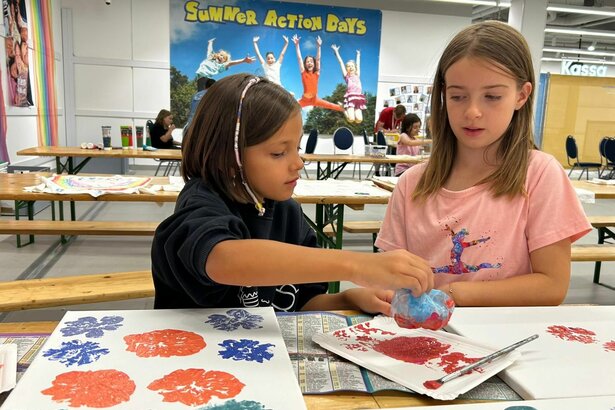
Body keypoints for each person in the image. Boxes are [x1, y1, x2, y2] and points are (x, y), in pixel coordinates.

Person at [151, 73, 433, 313]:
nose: (298, 162)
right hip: (194, 352)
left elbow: (300, 303)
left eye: (297, 148)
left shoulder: (287, 212)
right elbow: (221, 259)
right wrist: (356, 264)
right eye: (278, 152)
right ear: (227, 155)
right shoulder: (201, 201)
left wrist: (347, 298)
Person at [375, 21, 591, 307]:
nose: (472, 111)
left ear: (521, 95)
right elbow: (390, 279)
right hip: (424, 331)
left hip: (505, 332)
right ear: (444, 95)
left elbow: (552, 285)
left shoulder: (540, 175)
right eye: (458, 96)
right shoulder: (411, 184)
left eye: (492, 97)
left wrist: (452, 294)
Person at [292, 34, 343, 112]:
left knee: (330, 105)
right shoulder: (303, 72)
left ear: (314, 64)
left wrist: (319, 46)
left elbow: (318, 59)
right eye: (307, 61)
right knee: (291, 108)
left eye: (311, 61)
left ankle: (344, 109)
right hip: (304, 100)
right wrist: (297, 45)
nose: (309, 63)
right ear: (305, 64)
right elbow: (299, 59)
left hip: (315, 99)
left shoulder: (316, 73)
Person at [331, 44, 366, 124]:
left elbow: (358, 64)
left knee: (359, 120)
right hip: (350, 98)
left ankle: (349, 111)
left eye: (352, 66)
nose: (351, 67)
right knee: (351, 119)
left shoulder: (357, 75)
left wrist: (358, 55)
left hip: (358, 98)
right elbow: (341, 62)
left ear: (355, 68)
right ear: (347, 69)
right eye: (348, 66)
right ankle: (342, 108)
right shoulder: (347, 76)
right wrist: (336, 52)